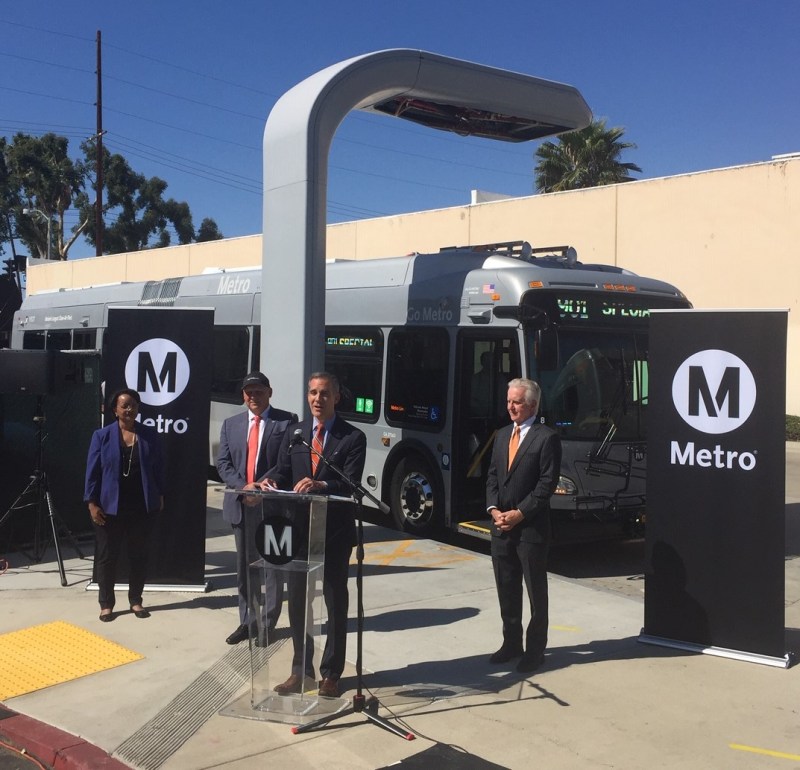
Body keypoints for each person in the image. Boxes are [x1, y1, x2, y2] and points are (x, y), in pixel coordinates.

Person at [262, 371, 366, 698]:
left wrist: (321, 484)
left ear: (336, 397)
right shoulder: (296, 433)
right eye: (312, 393)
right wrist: (267, 483)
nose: (317, 399)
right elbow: (281, 471)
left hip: (333, 531)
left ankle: (331, 673)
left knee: (335, 601)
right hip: (297, 530)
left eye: (324, 393)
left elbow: (350, 483)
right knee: (298, 602)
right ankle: (300, 670)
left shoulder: (353, 437)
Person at [486, 378, 561, 673]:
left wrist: (520, 513)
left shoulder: (546, 438)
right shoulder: (503, 435)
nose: (511, 407)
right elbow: (492, 475)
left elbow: (546, 484)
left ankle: (535, 650)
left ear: (531, 404)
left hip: (530, 530)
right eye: (508, 401)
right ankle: (511, 643)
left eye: (516, 402)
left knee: (535, 592)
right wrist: (494, 510)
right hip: (501, 527)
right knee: (506, 588)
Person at [216, 371, 297, 645]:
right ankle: (247, 622)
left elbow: (286, 462)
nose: (253, 396)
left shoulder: (286, 422)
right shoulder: (230, 424)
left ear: (269, 392)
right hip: (241, 504)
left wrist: (261, 487)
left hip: (273, 506)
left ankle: (267, 624)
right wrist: (244, 487)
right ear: (243, 395)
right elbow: (223, 464)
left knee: (273, 568)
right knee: (245, 568)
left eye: (259, 391)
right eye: (249, 391)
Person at [84, 388, 165, 622]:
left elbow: (158, 467)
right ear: (115, 410)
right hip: (109, 506)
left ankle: (136, 600)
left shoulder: (149, 435)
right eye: (124, 405)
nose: (129, 409)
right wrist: (91, 502)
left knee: (138, 555)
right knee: (108, 557)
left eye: (133, 405)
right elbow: (92, 472)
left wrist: (159, 493)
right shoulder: (102, 436)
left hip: (141, 506)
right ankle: (106, 604)